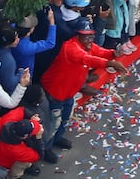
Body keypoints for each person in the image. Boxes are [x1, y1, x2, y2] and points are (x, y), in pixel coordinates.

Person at [38, 26, 126, 161]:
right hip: (56, 92)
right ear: (77, 36)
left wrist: (114, 53)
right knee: (53, 122)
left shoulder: (87, 45)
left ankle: (57, 138)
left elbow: (99, 52)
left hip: (69, 91)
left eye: (91, 36)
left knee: (65, 118)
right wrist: (111, 63)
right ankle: (46, 149)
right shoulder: (71, 48)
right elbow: (88, 59)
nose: (90, 39)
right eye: (86, 36)